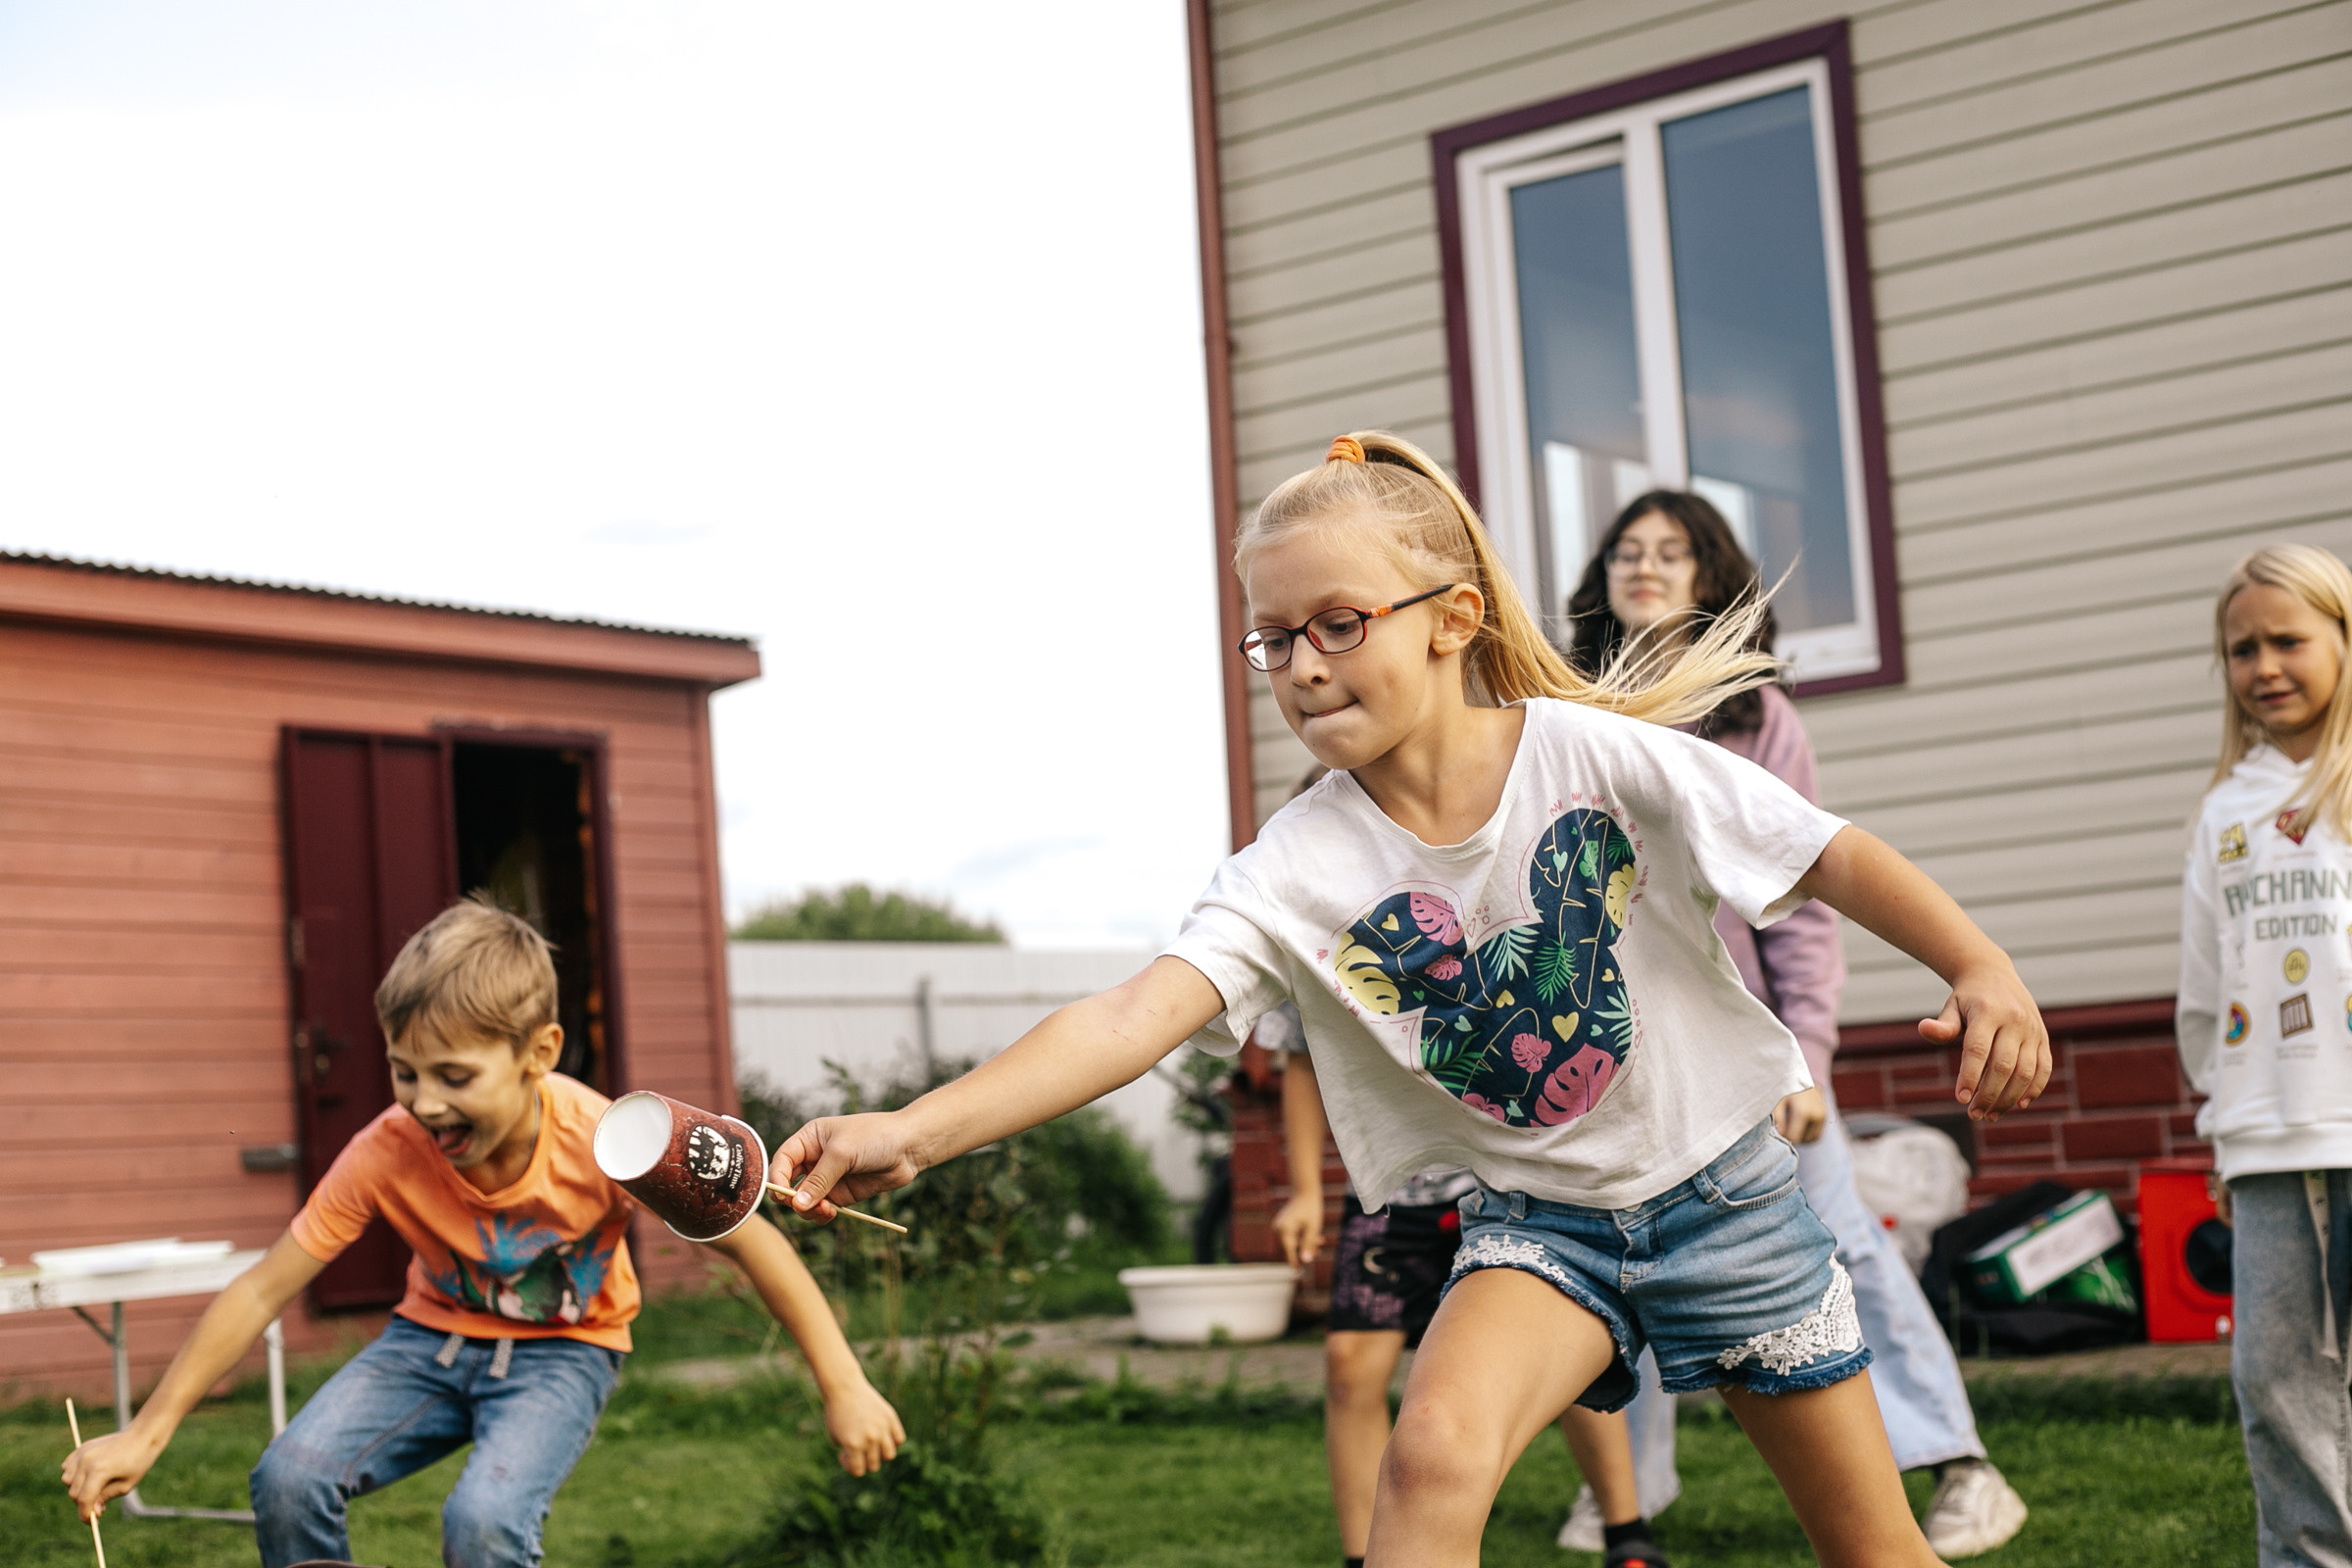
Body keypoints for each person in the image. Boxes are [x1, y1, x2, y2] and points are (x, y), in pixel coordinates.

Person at [777, 430, 2049, 1568]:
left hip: (1723, 1198)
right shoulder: (1295, 867)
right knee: (1433, 1451)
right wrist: (915, 1130)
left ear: (1449, 618)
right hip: (1542, 1227)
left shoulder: (1592, 754)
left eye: (1338, 622)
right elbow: (1125, 1018)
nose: (1301, 664)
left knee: (1872, 1550)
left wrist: (1979, 965)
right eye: (1272, 638)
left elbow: (1823, 849)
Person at [62, 898, 903, 1568]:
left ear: (539, 1053)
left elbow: (754, 1241)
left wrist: (845, 1384)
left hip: (565, 1353)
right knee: (287, 1479)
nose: (424, 1101)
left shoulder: (604, 1141)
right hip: (428, 1341)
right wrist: (148, 1430)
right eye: (405, 1072)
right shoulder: (386, 1151)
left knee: (485, 1521)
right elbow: (259, 1289)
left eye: (454, 1076)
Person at [1546, 492, 2028, 1559]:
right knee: (1607, 1254)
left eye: (1671, 552)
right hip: (1619, 1046)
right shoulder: (1571, 712)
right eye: (1627, 551)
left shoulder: (1758, 721)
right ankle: (1629, 1489)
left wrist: (1805, 1055)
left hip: (1757, 1049)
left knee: (1840, 1244)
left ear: (1710, 578)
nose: (1645, 567)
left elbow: (1805, 914)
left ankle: (1958, 1464)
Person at [2180, 544, 2352, 1566]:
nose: (2264, 665)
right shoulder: (2224, 812)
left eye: (2288, 639)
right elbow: (2206, 991)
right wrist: (2220, 1124)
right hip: (2264, 1137)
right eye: (2242, 648)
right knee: (2276, 1378)